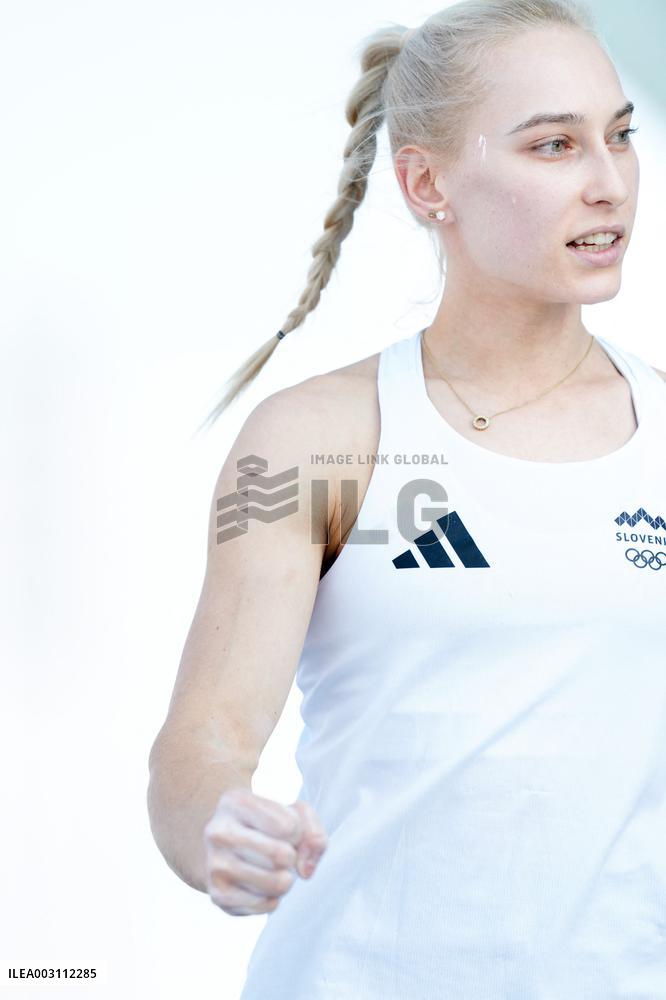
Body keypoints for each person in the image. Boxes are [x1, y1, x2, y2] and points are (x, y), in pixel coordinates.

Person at [147, 0, 666, 996]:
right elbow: (200, 740)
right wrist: (219, 821)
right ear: (428, 182)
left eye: (621, 135)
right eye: (555, 145)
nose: (610, 184)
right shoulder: (317, 439)